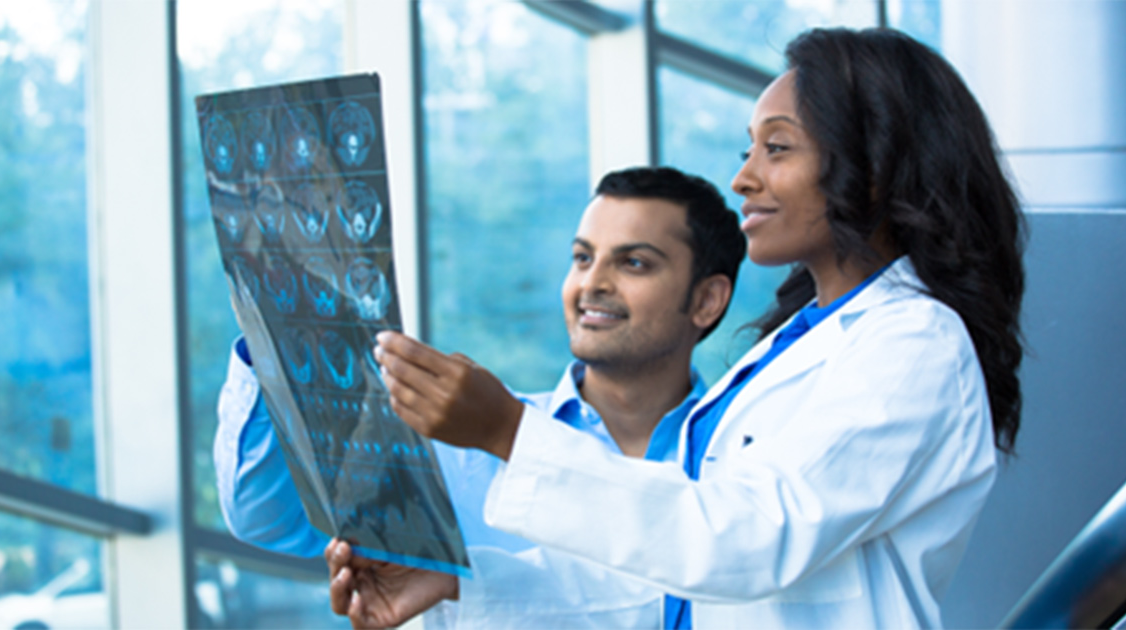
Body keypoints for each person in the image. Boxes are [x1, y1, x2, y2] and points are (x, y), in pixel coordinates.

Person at [370, 27, 1025, 629]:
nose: (744, 178)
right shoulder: (794, 344)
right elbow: (668, 589)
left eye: (777, 148)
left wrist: (507, 432)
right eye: (749, 150)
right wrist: (456, 585)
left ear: (874, 166)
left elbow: (744, 539)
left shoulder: (914, 344)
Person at [213, 166, 747, 628]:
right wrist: (275, 330)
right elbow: (266, 516)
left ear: (706, 299)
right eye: (582, 258)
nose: (593, 284)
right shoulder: (460, 437)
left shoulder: (742, 455)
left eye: (634, 263)